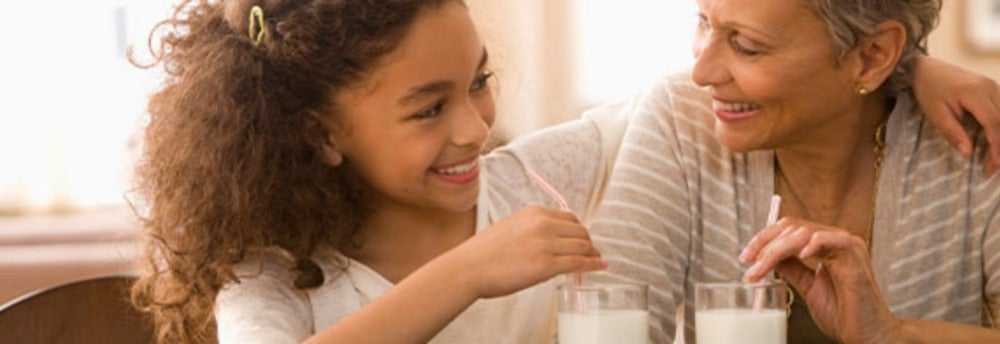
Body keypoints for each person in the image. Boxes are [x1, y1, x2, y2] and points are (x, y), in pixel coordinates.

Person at [128, 0, 1000, 343]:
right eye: (429, 108)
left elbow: (699, 95)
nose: (475, 128)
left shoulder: (523, 180)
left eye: (479, 84)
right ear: (319, 134)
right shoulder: (273, 268)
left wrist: (910, 66)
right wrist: (469, 271)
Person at [586, 0, 1000, 343]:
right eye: (703, 22)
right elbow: (606, 320)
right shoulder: (682, 120)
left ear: (872, 56)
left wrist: (892, 335)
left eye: (747, 45)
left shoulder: (976, 145)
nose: (702, 73)